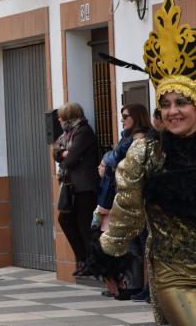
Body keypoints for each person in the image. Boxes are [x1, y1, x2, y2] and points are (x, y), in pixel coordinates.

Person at [96, 0, 196, 326]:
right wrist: (108, 251)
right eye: (165, 105)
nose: (173, 112)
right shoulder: (146, 153)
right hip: (173, 273)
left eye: (181, 103)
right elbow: (127, 210)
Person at [93, 103, 151, 299]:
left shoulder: (140, 139)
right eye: (121, 116)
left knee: (143, 244)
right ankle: (135, 286)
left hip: (138, 198)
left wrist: (107, 161)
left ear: (137, 117)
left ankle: (147, 289)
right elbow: (113, 160)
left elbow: (114, 158)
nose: (122, 119)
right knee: (133, 244)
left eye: (126, 116)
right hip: (124, 196)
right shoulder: (127, 138)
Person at [53, 102, 99, 277]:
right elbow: (56, 152)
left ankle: (90, 262)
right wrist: (63, 153)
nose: (59, 121)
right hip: (71, 186)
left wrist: (65, 154)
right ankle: (84, 259)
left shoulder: (84, 132)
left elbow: (70, 160)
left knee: (84, 225)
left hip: (85, 187)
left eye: (61, 118)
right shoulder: (68, 134)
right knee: (65, 219)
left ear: (70, 118)